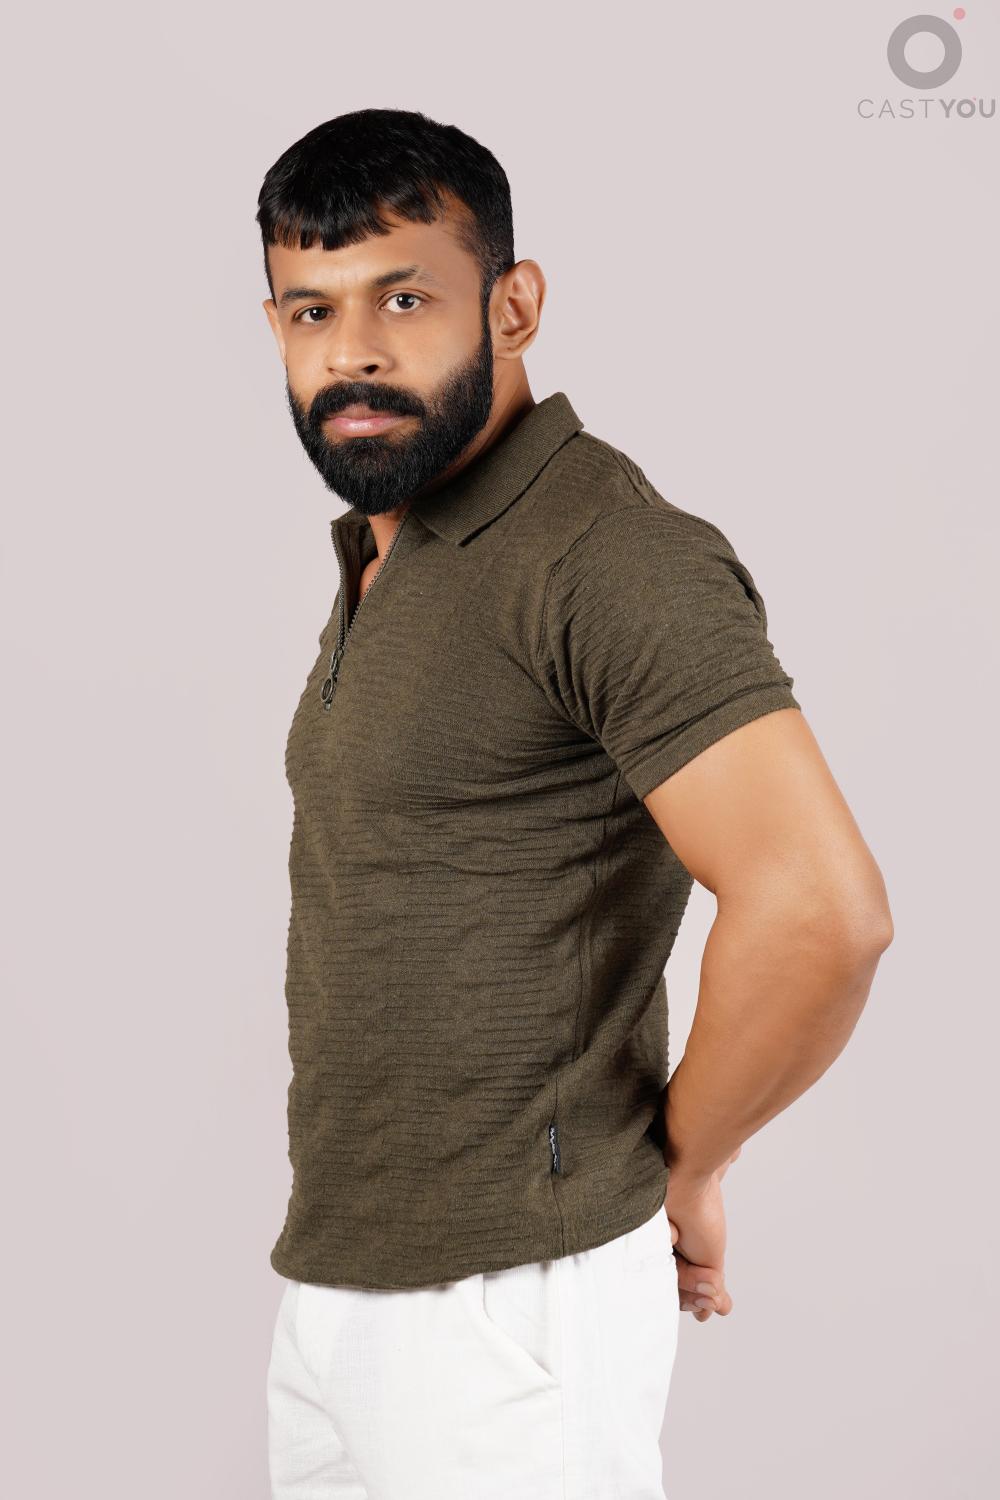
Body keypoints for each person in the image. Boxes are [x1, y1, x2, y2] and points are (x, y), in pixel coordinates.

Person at [256, 108, 894, 1499]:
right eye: (312, 309)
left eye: (404, 299)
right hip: (341, 1285)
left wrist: (687, 1165)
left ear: (515, 303)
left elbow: (821, 912)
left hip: (512, 1307)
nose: (353, 351)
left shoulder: (604, 553)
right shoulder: (397, 548)